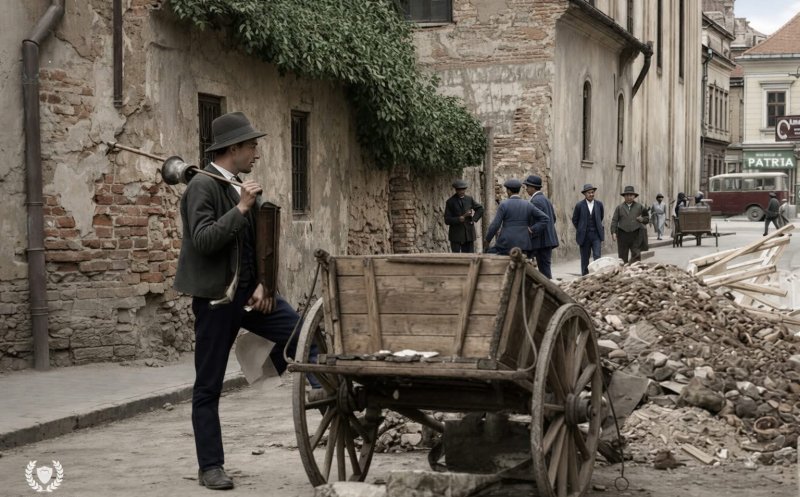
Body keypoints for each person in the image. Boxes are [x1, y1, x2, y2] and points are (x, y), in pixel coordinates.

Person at [173, 112, 308, 490]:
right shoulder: (202, 185)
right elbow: (202, 240)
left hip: (253, 296)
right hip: (217, 300)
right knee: (208, 384)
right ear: (233, 149)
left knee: (300, 332)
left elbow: (260, 245)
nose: (257, 153)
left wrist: (266, 284)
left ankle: (318, 387)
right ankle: (210, 466)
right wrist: (241, 209)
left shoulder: (239, 185)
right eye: (252, 146)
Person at [485, 179, 549, 257]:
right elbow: (545, 218)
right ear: (519, 190)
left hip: (505, 244)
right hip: (524, 245)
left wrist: (487, 240)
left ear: (508, 191)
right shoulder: (528, 204)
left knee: (491, 254)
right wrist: (532, 229)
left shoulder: (504, 205)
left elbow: (495, 225)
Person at [523, 174, 559, 279]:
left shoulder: (536, 201)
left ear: (533, 187)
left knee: (544, 271)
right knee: (545, 268)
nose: (526, 189)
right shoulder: (545, 199)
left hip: (542, 241)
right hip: (547, 240)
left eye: (528, 187)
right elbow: (553, 218)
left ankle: (549, 292)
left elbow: (539, 220)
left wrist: (531, 229)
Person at [571, 184, 605, 276]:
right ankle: (585, 276)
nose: (591, 194)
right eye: (589, 193)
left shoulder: (599, 204)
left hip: (596, 234)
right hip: (584, 236)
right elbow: (575, 219)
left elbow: (600, 217)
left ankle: (597, 275)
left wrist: (596, 226)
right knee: (585, 258)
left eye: (592, 192)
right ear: (585, 194)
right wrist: (581, 228)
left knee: (597, 256)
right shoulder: (579, 205)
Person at [611, 186, 650, 263]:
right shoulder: (619, 208)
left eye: (631, 195)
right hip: (622, 235)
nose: (629, 197)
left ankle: (635, 271)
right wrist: (613, 232)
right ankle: (623, 272)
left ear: (634, 196)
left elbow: (647, 218)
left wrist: (642, 219)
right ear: (624, 196)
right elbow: (614, 220)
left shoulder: (640, 207)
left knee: (636, 255)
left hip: (636, 234)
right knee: (622, 257)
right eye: (627, 195)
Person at [444, 179, 484, 253]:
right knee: (456, 258)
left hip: (469, 234)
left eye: (463, 189)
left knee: (469, 257)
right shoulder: (450, 202)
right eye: (459, 190)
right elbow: (447, 220)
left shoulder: (469, 199)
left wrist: (474, 219)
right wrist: (458, 219)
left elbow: (480, 209)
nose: (462, 191)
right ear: (456, 190)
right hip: (456, 235)